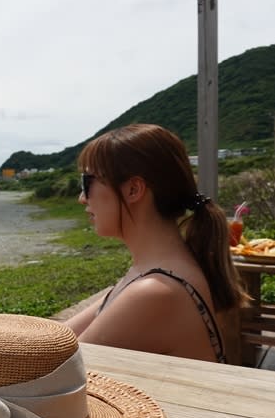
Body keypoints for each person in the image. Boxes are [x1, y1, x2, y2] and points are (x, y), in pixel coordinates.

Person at [65, 123, 248, 363]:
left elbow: (56, 373)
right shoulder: (156, 271)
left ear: (133, 189)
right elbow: (58, 338)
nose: (81, 198)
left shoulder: (155, 291)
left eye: (87, 183)